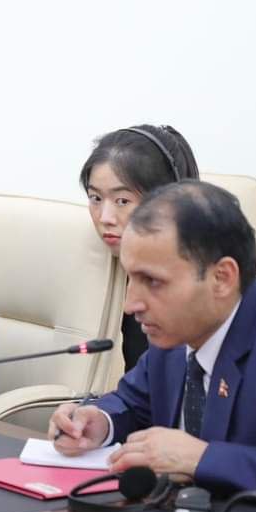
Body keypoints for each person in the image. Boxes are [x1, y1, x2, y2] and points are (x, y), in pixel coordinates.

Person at [50, 181, 256, 508]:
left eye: (152, 281)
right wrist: (99, 421)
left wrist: (203, 459)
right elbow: (133, 401)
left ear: (222, 278)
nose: (130, 304)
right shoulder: (175, 333)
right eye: (131, 278)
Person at [80, 125, 198, 373]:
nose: (105, 218)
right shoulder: (100, 268)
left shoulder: (196, 296)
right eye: (96, 198)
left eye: (122, 201)